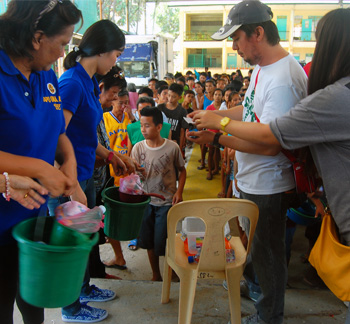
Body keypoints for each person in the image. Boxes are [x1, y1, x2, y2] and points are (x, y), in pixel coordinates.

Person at [190, 7, 350, 323]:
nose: (234, 46)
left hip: (270, 183)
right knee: (257, 249)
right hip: (251, 179)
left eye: (236, 38)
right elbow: (251, 112)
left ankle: (269, 313)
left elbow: (270, 141)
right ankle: (258, 288)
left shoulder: (285, 77)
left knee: (269, 254)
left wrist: (218, 130)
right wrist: (216, 119)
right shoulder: (266, 68)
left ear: (258, 33)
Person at [0, 1, 82, 323]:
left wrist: (70, 161)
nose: (63, 53)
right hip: (2, 220)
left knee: (35, 301)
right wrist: (40, 169)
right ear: (36, 38)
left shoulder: (46, 77)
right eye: (62, 44)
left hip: (32, 215)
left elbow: (56, 131)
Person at [52, 19, 138, 323]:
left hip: (86, 173)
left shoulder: (88, 81)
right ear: (101, 51)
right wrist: (68, 181)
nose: (116, 61)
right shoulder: (72, 83)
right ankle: (70, 308)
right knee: (71, 243)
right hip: (69, 179)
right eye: (115, 54)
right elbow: (56, 137)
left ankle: (84, 289)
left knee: (85, 238)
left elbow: (83, 135)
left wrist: (111, 155)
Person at [131, 107, 186, 281]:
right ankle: (156, 274)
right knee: (148, 241)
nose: (143, 130)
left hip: (167, 202)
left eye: (147, 126)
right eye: (141, 125)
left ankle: (173, 271)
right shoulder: (138, 148)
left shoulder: (172, 148)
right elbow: (132, 175)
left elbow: (182, 171)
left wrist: (179, 191)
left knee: (165, 240)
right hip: (145, 202)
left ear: (159, 127)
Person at [157, 83, 187, 150]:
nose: (170, 99)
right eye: (169, 95)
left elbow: (182, 131)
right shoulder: (160, 108)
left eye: (174, 97)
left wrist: (180, 147)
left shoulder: (182, 111)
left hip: (175, 142)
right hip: (161, 141)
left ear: (180, 98)